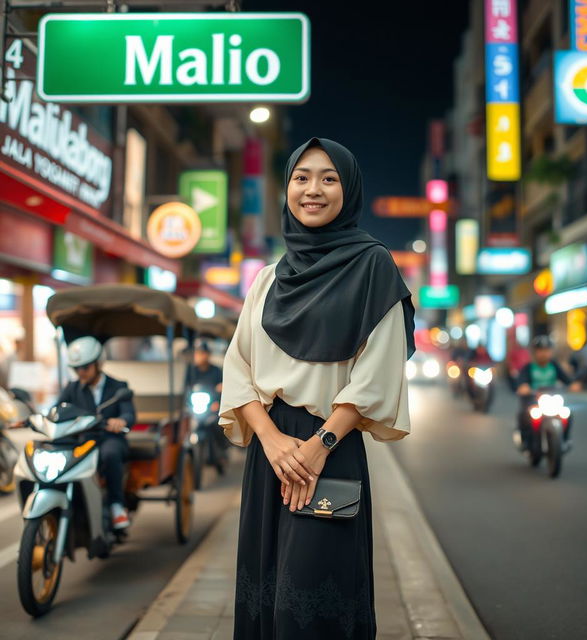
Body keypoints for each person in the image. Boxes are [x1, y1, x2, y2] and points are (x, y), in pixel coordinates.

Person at [219, 138, 414, 640]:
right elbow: (238, 365)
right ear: (287, 188)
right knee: (265, 590)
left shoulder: (374, 268)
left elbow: (378, 372)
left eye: (329, 178)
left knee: (306, 602)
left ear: (348, 191)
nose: (313, 190)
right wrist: (270, 439)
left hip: (329, 448)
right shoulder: (266, 279)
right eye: (301, 177)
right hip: (272, 451)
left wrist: (318, 446)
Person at [57, 336, 136, 530]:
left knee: (110, 454)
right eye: (76, 369)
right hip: (83, 441)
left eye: (85, 367)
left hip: (110, 439)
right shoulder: (72, 388)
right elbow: (57, 410)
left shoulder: (118, 386)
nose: (81, 373)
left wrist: (121, 421)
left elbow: (129, 412)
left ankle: (117, 506)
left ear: (98, 364)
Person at [515, 335, 580, 450]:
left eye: (547, 350)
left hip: (553, 399)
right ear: (535, 352)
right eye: (540, 350)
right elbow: (521, 382)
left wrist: (573, 384)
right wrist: (523, 387)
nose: (544, 353)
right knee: (524, 415)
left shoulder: (554, 366)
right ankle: (525, 440)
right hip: (533, 400)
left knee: (567, 413)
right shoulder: (529, 367)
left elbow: (567, 379)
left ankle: (565, 440)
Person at [186, 337, 228, 470]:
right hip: (197, 407)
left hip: (212, 407)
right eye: (198, 353)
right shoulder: (191, 371)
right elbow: (186, 390)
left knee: (217, 424)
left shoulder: (216, 371)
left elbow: (223, 388)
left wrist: (217, 401)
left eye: (203, 353)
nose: (200, 356)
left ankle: (222, 449)